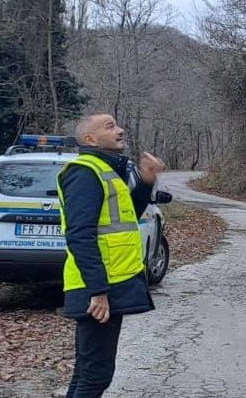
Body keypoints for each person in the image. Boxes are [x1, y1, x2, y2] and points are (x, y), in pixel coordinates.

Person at [57, 113, 165, 397]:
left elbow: (126, 216)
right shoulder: (85, 173)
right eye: (110, 126)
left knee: (87, 372)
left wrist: (145, 181)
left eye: (117, 124)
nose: (119, 130)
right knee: (95, 377)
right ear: (90, 139)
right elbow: (80, 235)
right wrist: (98, 291)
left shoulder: (104, 171)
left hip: (108, 282)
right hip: (98, 286)